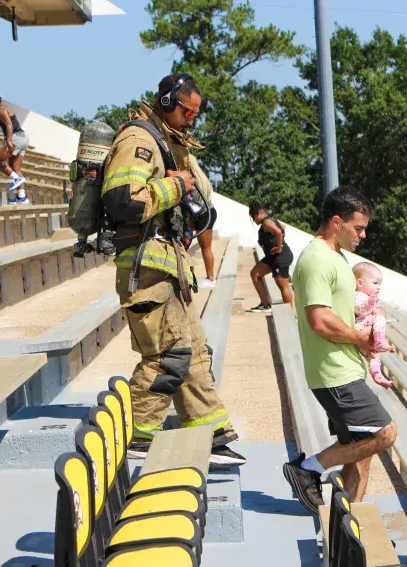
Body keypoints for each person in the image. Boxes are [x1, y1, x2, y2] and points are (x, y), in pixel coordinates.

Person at [101, 73, 245, 467]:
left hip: (167, 266)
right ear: (167, 102)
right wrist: (177, 186)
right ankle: (136, 436)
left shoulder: (166, 143)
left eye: (196, 114)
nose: (191, 120)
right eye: (187, 112)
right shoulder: (139, 140)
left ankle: (211, 433)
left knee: (194, 351)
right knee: (169, 355)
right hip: (145, 268)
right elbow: (123, 201)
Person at [282, 186, 397, 514]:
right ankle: (308, 469)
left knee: (361, 449)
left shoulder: (336, 257)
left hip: (345, 368)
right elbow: (319, 320)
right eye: (358, 228)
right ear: (336, 222)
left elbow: (344, 309)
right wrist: (361, 339)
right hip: (333, 372)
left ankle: (348, 519)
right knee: (385, 433)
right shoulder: (316, 259)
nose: (363, 235)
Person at [352, 262, 394, 389]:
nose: (378, 287)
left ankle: (377, 375)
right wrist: (370, 304)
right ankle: (380, 341)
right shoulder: (358, 295)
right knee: (379, 318)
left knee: (374, 356)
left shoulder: (368, 297)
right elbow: (359, 309)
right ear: (360, 283)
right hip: (360, 325)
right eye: (375, 283)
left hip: (364, 326)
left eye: (379, 284)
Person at [246, 202, 294, 313]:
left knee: (283, 286)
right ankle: (265, 304)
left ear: (259, 213)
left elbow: (278, 231)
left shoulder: (266, 222)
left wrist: (279, 247)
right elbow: (283, 227)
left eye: (253, 217)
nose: (253, 220)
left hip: (280, 257)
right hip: (272, 257)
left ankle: (290, 314)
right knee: (255, 274)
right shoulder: (270, 220)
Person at [0, 92, 29, 204]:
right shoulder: (4, 109)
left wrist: (8, 140)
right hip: (23, 138)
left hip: (15, 137)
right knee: (15, 168)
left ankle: (16, 179)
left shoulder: (1, 110)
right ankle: (22, 196)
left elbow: (9, 124)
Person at [190, 155, 217, 288]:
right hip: (208, 212)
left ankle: (211, 278)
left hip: (203, 215)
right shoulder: (201, 178)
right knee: (205, 248)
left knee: (205, 248)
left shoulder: (192, 180)